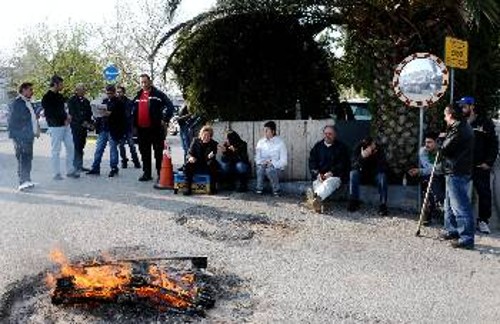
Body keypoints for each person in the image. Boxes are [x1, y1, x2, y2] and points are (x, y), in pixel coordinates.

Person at [460, 96, 499, 234]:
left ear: (472, 107)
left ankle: (483, 221)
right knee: (459, 193)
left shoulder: (485, 122)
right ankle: (461, 221)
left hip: (479, 165)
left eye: (464, 106)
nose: (462, 109)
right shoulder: (459, 121)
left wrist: (488, 162)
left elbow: (494, 144)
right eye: (461, 106)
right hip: (462, 165)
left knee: (484, 193)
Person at [439, 104, 475, 249]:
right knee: (449, 204)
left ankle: (466, 238)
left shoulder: (458, 129)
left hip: (457, 171)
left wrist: (441, 141)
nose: (444, 117)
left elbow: (445, 149)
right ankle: (452, 230)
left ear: (451, 115)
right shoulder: (462, 126)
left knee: (460, 206)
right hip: (456, 170)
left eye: (445, 114)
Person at [132, 74, 174, 182]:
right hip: (141, 129)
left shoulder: (158, 94)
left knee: (158, 152)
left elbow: (170, 106)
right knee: (144, 152)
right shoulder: (138, 96)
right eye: (142, 82)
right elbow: (131, 110)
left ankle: (161, 173)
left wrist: (164, 119)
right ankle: (147, 173)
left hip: (155, 129)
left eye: (145, 82)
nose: (144, 84)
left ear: (150, 82)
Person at [41, 75, 79, 180]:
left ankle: (70, 170)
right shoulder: (47, 97)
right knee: (56, 150)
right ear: (55, 84)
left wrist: (68, 116)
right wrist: (64, 117)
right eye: (61, 84)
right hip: (55, 126)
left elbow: (63, 109)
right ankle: (56, 173)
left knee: (70, 147)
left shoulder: (60, 96)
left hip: (66, 125)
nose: (62, 86)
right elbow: (50, 113)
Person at [307, 125, 350, 212]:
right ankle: (318, 204)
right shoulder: (317, 147)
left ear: (335, 135)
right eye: (325, 133)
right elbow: (312, 163)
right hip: (320, 176)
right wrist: (317, 174)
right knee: (318, 183)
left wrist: (331, 173)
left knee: (328, 184)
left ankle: (314, 198)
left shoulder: (341, 148)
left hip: (334, 177)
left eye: (330, 134)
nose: (327, 136)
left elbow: (343, 164)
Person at [86, 85, 127, 177]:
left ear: (114, 92)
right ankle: (95, 167)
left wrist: (108, 113)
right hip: (103, 128)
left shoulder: (119, 102)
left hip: (113, 129)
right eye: (107, 93)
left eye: (110, 93)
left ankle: (114, 168)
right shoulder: (104, 101)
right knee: (99, 149)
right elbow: (100, 115)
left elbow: (119, 116)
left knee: (113, 149)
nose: (109, 95)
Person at [8, 82, 40, 191]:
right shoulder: (17, 103)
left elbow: (32, 118)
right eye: (30, 89)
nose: (32, 92)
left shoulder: (28, 102)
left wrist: (36, 130)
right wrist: (20, 134)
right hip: (20, 136)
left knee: (28, 158)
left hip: (28, 135)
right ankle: (22, 182)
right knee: (22, 158)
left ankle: (27, 179)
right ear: (24, 90)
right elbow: (12, 120)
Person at [408, 132, 445, 226]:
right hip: (430, 176)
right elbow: (430, 169)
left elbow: (440, 169)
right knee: (429, 182)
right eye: (426, 142)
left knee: (433, 182)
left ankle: (435, 211)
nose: (426, 145)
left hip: (443, 176)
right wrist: (424, 171)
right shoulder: (423, 151)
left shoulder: (443, 151)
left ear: (436, 142)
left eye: (429, 142)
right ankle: (430, 212)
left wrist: (420, 171)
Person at [347, 137, 389, 215]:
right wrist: (362, 157)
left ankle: (383, 205)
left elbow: (384, 166)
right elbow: (353, 165)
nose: (372, 147)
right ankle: (353, 201)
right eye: (370, 145)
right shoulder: (358, 148)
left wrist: (374, 155)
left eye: (373, 145)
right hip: (362, 174)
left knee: (382, 177)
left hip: (375, 174)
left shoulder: (379, 150)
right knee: (353, 174)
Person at [183, 125, 219, 196]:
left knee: (213, 164)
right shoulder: (195, 141)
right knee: (188, 165)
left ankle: (212, 187)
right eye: (204, 135)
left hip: (207, 163)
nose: (206, 137)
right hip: (196, 162)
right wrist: (190, 157)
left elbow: (216, 152)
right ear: (201, 134)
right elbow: (189, 153)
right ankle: (187, 187)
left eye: (208, 136)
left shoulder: (213, 143)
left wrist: (213, 154)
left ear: (211, 136)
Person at [255, 121, 287, 196]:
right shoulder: (260, 142)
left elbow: (284, 161)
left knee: (270, 169)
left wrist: (272, 163)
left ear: (273, 131)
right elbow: (257, 158)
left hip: (277, 170)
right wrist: (262, 162)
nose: (265, 132)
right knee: (260, 168)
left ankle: (276, 190)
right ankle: (259, 188)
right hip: (264, 166)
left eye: (267, 131)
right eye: (264, 130)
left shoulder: (280, 143)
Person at [67, 83, 93, 172]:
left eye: (84, 89)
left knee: (81, 146)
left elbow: (89, 113)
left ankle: (80, 164)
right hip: (76, 126)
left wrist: (89, 122)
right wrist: (82, 122)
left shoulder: (86, 101)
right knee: (76, 146)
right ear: (77, 90)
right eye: (81, 89)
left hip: (84, 128)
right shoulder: (72, 100)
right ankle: (75, 165)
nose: (83, 91)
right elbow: (73, 113)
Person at [116, 86, 141, 169]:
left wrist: (133, 126)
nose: (119, 94)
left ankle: (136, 161)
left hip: (128, 127)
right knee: (121, 145)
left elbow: (132, 114)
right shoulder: (115, 102)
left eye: (120, 92)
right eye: (118, 92)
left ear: (124, 92)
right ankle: (124, 160)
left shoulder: (129, 102)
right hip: (120, 128)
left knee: (131, 145)